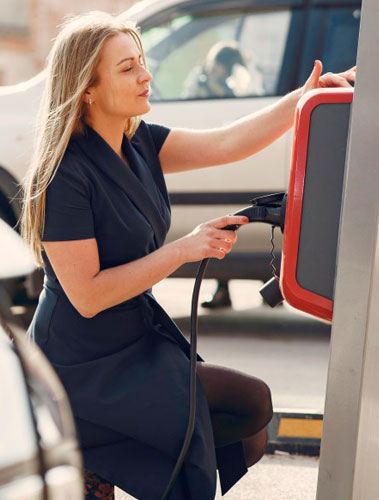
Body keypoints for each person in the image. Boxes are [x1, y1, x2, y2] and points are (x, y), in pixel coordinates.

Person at [20, 12, 355, 500]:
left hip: (135, 338)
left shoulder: (140, 142)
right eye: (127, 68)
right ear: (87, 89)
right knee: (241, 411)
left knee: (246, 428)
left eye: (141, 62)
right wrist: (186, 248)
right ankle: (93, 448)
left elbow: (228, 142)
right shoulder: (64, 175)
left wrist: (302, 100)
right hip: (81, 361)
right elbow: (88, 296)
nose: (145, 75)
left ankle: (100, 460)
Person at [184, 41, 248, 99]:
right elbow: (188, 96)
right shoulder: (198, 76)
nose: (214, 69)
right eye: (215, 65)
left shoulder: (229, 87)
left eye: (219, 68)